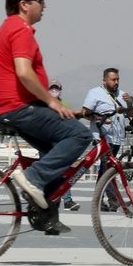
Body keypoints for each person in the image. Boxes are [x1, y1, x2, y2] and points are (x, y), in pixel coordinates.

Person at [0, 0, 90, 236]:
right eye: (40, 0)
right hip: (19, 107)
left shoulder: (7, 28)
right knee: (80, 135)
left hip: (11, 107)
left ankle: (46, 214)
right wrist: (51, 101)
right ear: (24, 4)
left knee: (57, 150)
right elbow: (24, 73)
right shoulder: (20, 30)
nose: (45, 5)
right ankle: (33, 179)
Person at [80, 68, 133, 210]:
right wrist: (101, 119)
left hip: (117, 138)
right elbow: (84, 113)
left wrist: (129, 103)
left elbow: (131, 113)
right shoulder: (95, 93)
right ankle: (113, 198)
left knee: (105, 169)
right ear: (105, 81)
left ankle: (99, 200)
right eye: (113, 79)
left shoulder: (122, 95)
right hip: (102, 137)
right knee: (108, 167)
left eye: (118, 79)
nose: (116, 82)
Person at [45, 79, 79, 211]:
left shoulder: (65, 103)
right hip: (48, 140)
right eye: (52, 88)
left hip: (61, 140)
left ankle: (67, 200)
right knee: (51, 171)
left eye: (56, 88)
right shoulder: (45, 103)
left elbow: (70, 120)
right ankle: (50, 200)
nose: (54, 91)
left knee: (64, 171)